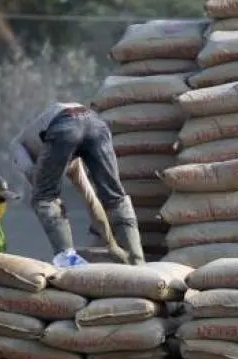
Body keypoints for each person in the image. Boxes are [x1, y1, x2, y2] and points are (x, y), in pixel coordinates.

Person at [9, 102, 144, 265]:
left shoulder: (18, 146)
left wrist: (112, 245)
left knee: (43, 199)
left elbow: (38, 184)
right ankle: (137, 258)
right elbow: (92, 201)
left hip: (64, 125)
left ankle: (68, 260)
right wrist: (111, 245)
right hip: (95, 123)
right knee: (114, 196)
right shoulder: (71, 159)